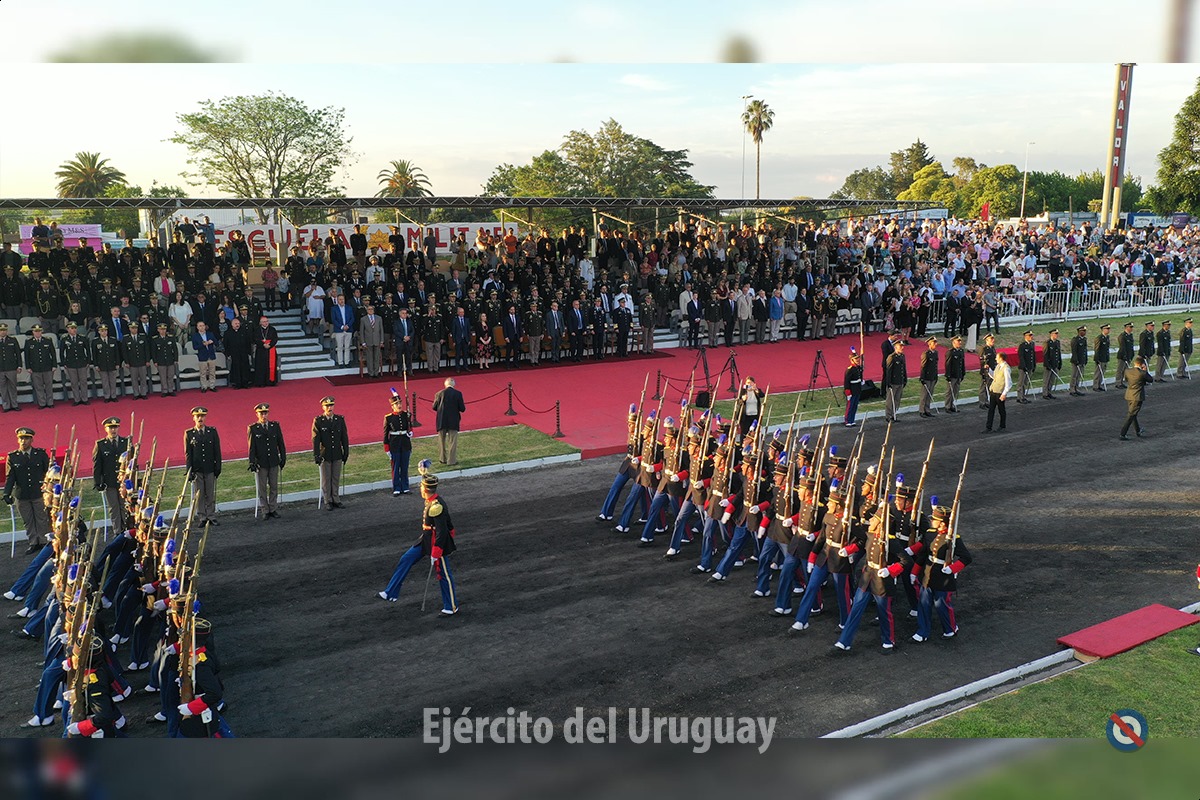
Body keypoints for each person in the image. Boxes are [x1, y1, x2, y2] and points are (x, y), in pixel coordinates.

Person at [378, 461, 460, 615]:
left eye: (422, 486)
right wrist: (423, 471)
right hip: (425, 540)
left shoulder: (436, 506)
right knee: (406, 559)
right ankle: (391, 592)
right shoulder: (431, 499)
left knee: (444, 575)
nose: (420, 489)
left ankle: (451, 606)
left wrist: (436, 552)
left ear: (426, 489)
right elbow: (426, 478)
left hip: (436, 543)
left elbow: (442, 531)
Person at [911, 502, 973, 642]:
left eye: (935, 520)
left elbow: (966, 558)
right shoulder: (929, 534)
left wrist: (952, 568)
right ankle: (922, 632)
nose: (932, 521)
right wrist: (914, 572)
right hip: (928, 574)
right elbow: (922, 554)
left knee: (941, 604)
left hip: (943, 577)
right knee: (923, 603)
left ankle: (950, 628)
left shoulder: (953, 539)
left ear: (943, 524)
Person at [4, 427, 51, 553]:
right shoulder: (13, 457)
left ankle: (43, 541)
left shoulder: (40, 454)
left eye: (26, 438)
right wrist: (6, 493)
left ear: (31, 440)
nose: (23, 441)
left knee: (41, 518)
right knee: (28, 520)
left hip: (38, 492)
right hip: (22, 494)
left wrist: (50, 488)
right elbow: (10, 477)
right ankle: (33, 542)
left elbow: (48, 473)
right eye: (21, 438)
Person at [248, 402, 286, 519]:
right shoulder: (253, 428)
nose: (264, 416)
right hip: (261, 463)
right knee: (262, 488)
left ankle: (273, 508)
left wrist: (283, 456)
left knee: (274, 486)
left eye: (265, 413)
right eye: (261, 413)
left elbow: (280, 443)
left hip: (273, 460)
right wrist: (252, 462)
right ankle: (265, 509)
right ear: (257, 414)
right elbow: (252, 447)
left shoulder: (275, 426)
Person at [185, 407, 222, 526]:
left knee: (210, 493)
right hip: (197, 469)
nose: (200, 418)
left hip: (209, 467)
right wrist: (189, 470)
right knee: (199, 494)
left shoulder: (212, 432)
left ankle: (211, 515)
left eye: (202, 416)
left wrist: (218, 466)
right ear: (193, 418)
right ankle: (202, 517)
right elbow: (188, 454)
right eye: (198, 416)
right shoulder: (189, 433)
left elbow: (217, 450)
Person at [313, 396, 350, 509]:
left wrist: (346, 451)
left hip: (337, 453)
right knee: (326, 479)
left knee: (335, 477)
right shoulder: (319, 421)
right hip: (325, 454)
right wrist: (316, 455)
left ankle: (336, 498)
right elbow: (316, 439)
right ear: (323, 407)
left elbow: (344, 437)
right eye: (327, 406)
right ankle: (328, 500)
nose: (329, 408)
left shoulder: (339, 419)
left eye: (331, 405)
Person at [93, 417, 128, 534]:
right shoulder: (101, 445)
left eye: (115, 427)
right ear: (106, 429)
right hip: (110, 481)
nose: (113, 430)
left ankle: (127, 528)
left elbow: (132, 462)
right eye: (111, 428)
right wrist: (98, 482)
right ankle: (117, 531)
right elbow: (97, 465)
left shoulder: (126, 443)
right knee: (114, 508)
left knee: (124, 506)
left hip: (124, 481)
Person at [384, 390, 413, 496]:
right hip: (394, 444)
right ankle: (396, 487)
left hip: (405, 443)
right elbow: (385, 434)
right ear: (392, 406)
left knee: (404, 466)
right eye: (396, 404)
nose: (399, 405)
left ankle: (405, 486)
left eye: (400, 403)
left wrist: (410, 431)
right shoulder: (388, 418)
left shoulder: (406, 415)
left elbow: (409, 426)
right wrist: (387, 448)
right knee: (396, 467)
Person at [432, 377, 465, 466]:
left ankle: (443, 458)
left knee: (441, 441)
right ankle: (451, 460)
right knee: (452, 441)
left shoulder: (439, 394)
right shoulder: (458, 394)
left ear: (445, 384)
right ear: (453, 384)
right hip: (453, 420)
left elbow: (434, 407)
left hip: (442, 419)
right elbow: (462, 408)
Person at [24, 324, 57, 409]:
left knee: (49, 386)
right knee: (38, 386)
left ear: (42, 331)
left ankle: (50, 402)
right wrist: (28, 367)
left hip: (47, 367)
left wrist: (54, 365)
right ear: (33, 332)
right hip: (35, 368)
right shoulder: (29, 342)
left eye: (39, 331)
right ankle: (42, 403)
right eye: (36, 331)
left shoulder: (47, 341)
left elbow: (53, 354)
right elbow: (27, 356)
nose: (37, 333)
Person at [1120, 355, 1152, 441]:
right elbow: (1150, 379)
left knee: (1133, 414)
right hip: (1137, 397)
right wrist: (1145, 370)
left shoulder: (1127, 371)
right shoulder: (1142, 373)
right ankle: (1123, 433)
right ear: (1142, 364)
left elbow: (1127, 380)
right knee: (1131, 415)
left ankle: (1138, 431)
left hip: (1129, 395)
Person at [984, 351, 1011, 433]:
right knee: (991, 410)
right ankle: (988, 427)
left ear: (1001, 358)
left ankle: (1002, 426)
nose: (995, 358)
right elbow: (994, 376)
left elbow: (1008, 382)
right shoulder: (998, 366)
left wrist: (1004, 393)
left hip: (1000, 392)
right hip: (993, 390)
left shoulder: (1006, 368)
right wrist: (989, 370)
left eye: (997, 357)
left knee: (1001, 410)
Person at [222, 317, 252, 389]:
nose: (237, 325)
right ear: (232, 324)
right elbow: (225, 344)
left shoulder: (244, 331)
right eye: (236, 323)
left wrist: (249, 352)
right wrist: (228, 353)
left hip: (244, 353)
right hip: (234, 353)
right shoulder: (227, 333)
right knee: (236, 368)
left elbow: (248, 342)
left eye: (238, 323)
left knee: (245, 368)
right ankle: (237, 383)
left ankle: (245, 383)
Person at [152, 322, 179, 396]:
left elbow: (175, 349)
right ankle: (164, 391)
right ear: (158, 330)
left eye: (164, 329)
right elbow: (153, 352)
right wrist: (155, 361)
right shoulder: (155, 339)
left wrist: (176, 359)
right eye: (161, 329)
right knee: (163, 377)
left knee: (170, 376)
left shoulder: (170, 337)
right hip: (161, 361)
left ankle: (170, 390)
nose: (162, 331)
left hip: (170, 360)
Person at [252, 315, 280, 386]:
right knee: (261, 366)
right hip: (261, 350)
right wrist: (263, 344)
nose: (266, 323)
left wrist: (269, 345)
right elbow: (255, 339)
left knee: (270, 366)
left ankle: (271, 381)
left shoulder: (272, 329)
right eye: (264, 322)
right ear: (260, 323)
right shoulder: (257, 330)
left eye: (267, 321)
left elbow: (275, 339)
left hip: (270, 350)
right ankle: (261, 383)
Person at [193, 321, 219, 394]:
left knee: (212, 372)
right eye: (200, 326)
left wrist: (212, 341)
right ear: (197, 327)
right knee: (203, 373)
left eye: (203, 325)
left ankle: (212, 386)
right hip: (202, 356)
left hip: (211, 355)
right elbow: (195, 347)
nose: (202, 327)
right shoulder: (195, 336)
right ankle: (204, 387)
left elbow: (217, 343)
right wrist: (203, 344)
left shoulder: (210, 334)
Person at [0, 323, 21, 412]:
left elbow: (18, 354)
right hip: (0, 368)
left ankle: (14, 404)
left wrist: (19, 365)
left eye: (4, 330)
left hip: (11, 367)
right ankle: (6, 406)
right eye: (1, 330)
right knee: (3, 388)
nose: (3, 332)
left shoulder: (12, 340)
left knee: (13, 387)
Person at [884, 339, 906, 423]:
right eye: (900, 346)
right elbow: (888, 371)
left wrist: (905, 379)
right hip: (893, 382)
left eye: (902, 346)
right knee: (890, 400)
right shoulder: (891, 357)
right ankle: (888, 416)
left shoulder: (902, 356)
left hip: (900, 381)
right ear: (895, 347)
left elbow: (903, 369)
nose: (902, 348)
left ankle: (894, 414)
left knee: (897, 399)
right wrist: (888, 383)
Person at [360, 304, 384, 377]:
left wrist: (382, 340)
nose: (370, 310)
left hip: (377, 340)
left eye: (372, 309)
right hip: (368, 341)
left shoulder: (379, 318)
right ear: (367, 310)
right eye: (369, 309)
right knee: (369, 358)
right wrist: (363, 342)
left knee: (376, 358)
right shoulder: (363, 319)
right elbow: (362, 331)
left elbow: (381, 330)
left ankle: (376, 373)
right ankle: (371, 373)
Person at [918, 336, 939, 418]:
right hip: (926, 377)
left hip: (932, 376)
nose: (936, 344)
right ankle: (922, 410)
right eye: (934, 343)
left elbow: (935, 366)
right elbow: (923, 366)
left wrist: (936, 376)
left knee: (930, 394)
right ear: (930, 344)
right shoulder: (926, 354)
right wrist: (922, 378)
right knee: (924, 395)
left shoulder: (935, 353)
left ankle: (927, 410)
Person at [943, 335, 965, 413]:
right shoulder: (950, 352)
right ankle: (947, 406)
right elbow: (948, 364)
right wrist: (948, 375)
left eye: (960, 341)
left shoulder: (961, 351)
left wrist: (963, 373)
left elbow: (962, 363)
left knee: (955, 391)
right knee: (950, 391)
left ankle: (952, 405)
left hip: (958, 374)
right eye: (958, 341)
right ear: (953, 342)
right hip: (952, 375)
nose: (960, 342)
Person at [844, 349, 863, 427]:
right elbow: (846, 382)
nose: (858, 360)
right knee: (850, 406)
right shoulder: (850, 370)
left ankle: (852, 420)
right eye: (856, 359)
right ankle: (848, 420)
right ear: (852, 360)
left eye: (858, 358)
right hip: (852, 390)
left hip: (857, 389)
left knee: (855, 406)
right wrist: (848, 392)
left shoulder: (858, 368)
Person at [1015, 330, 1035, 404]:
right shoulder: (1022, 345)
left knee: (1025, 383)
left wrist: (1033, 365)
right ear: (1025, 336)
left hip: (1030, 366)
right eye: (1030, 335)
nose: (1031, 337)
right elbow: (1021, 357)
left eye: (1031, 335)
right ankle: (1019, 397)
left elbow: (1033, 356)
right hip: (1023, 367)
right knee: (1021, 382)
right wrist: (1024, 366)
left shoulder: (1032, 344)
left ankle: (1023, 396)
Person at [977, 333, 996, 409]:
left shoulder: (992, 348)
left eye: (993, 339)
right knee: (983, 387)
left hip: (992, 370)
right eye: (991, 339)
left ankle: (986, 401)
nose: (993, 340)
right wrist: (984, 366)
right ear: (987, 340)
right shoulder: (984, 349)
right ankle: (982, 402)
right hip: (986, 370)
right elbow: (981, 359)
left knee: (989, 386)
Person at [1042, 328, 1062, 399]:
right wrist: (1047, 364)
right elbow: (1045, 354)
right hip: (1049, 364)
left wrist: (1060, 363)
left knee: (1052, 380)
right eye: (1055, 334)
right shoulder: (1047, 343)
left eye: (1057, 334)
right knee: (1046, 380)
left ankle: (1049, 392)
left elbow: (1058, 354)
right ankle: (1045, 393)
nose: (1057, 335)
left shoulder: (1057, 342)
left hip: (1055, 364)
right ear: (1051, 334)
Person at [1115, 321, 1135, 389]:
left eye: (1132, 327)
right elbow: (1122, 347)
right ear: (1126, 327)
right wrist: (1124, 355)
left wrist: (1131, 354)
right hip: (1122, 356)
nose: (1131, 328)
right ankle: (1118, 383)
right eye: (1130, 327)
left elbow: (1131, 346)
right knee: (1120, 370)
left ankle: (1121, 382)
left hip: (1128, 355)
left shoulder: (1130, 335)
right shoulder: (1122, 336)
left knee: (1125, 370)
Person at [1068, 325, 1088, 396]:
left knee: (1079, 376)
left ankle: (1077, 388)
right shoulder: (1075, 340)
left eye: (1085, 331)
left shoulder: (1084, 339)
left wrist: (1085, 359)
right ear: (1079, 332)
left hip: (1082, 360)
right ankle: (1072, 389)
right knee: (1074, 375)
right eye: (1083, 331)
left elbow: (1085, 351)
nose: (1085, 332)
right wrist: (1076, 360)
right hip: (1076, 361)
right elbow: (1074, 351)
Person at [1093, 323, 1111, 391]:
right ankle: (1095, 386)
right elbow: (1097, 349)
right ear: (1103, 329)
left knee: (1102, 372)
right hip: (1100, 358)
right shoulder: (1099, 338)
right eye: (1107, 329)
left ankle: (1099, 385)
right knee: (1098, 373)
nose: (1108, 330)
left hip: (1105, 358)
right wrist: (1097, 359)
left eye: (1109, 329)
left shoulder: (1107, 338)